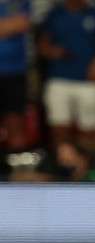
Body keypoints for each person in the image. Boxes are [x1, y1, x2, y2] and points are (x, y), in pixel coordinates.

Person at [39, 0, 95, 172]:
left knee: (88, 131)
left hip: (89, 81)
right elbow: (42, 43)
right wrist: (51, 51)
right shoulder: (55, 14)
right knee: (59, 128)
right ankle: (64, 169)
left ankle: (86, 171)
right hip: (59, 78)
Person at [0, 0, 31, 155]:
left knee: (16, 124)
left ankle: (16, 169)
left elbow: (21, 24)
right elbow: (14, 25)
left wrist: (11, 25)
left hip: (14, 71)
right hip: (14, 70)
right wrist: (8, 26)